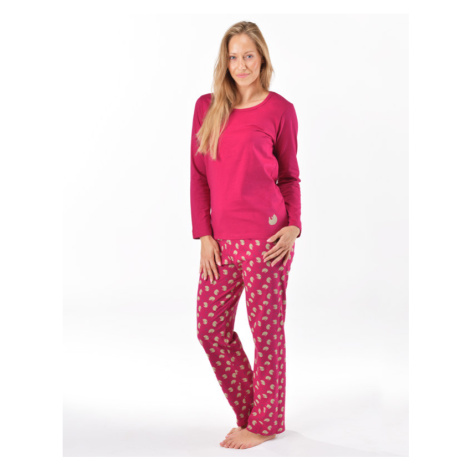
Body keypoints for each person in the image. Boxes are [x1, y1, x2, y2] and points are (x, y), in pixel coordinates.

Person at [190, 21, 302, 450]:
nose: (241, 65)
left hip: (268, 241)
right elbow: (199, 176)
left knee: (266, 333)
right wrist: (204, 235)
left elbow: (289, 176)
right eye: (234, 57)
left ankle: (264, 423)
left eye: (248, 56)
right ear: (225, 61)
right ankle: (256, 412)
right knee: (210, 329)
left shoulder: (280, 110)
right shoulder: (206, 107)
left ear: (262, 59)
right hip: (220, 242)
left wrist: (293, 225)